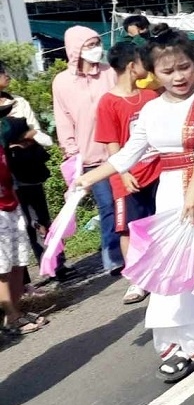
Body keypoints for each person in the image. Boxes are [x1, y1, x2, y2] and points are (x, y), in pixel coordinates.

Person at [75, 26, 194, 381]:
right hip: (170, 194)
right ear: (152, 73)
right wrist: (91, 177)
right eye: (167, 71)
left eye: (184, 67)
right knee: (176, 269)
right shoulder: (150, 111)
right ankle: (183, 343)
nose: (178, 76)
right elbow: (131, 152)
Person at [92, 42, 160, 305]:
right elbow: (112, 145)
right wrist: (122, 173)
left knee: (159, 224)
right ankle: (137, 279)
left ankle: (163, 269)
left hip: (157, 169)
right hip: (128, 176)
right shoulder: (108, 103)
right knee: (129, 230)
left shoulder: (151, 97)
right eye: (144, 62)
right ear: (133, 66)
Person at [52, 26, 122, 273]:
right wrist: (71, 152)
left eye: (96, 44)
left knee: (128, 204)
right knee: (107, 207)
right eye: (89, 45)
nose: (95, 50)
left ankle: (136, 251)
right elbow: (63, 120)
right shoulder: (61, 82)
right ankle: (113, 257)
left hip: (119, 152)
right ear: (75, 49)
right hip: (90, 158)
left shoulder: (109, 73)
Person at [0, 65, 66, 280]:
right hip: (5, 178)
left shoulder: (19, 103)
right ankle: (23, 279)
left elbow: (34, 132)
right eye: (2, 72)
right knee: (18, 226)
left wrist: (20, 140)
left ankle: (56, 265)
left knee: (41, 218)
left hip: (27, 170)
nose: (7, 75)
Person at [1, 141, 46, 336]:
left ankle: (14, 312)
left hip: (11, 204)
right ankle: (11, 316)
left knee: (18, 262)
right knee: (2, 267)